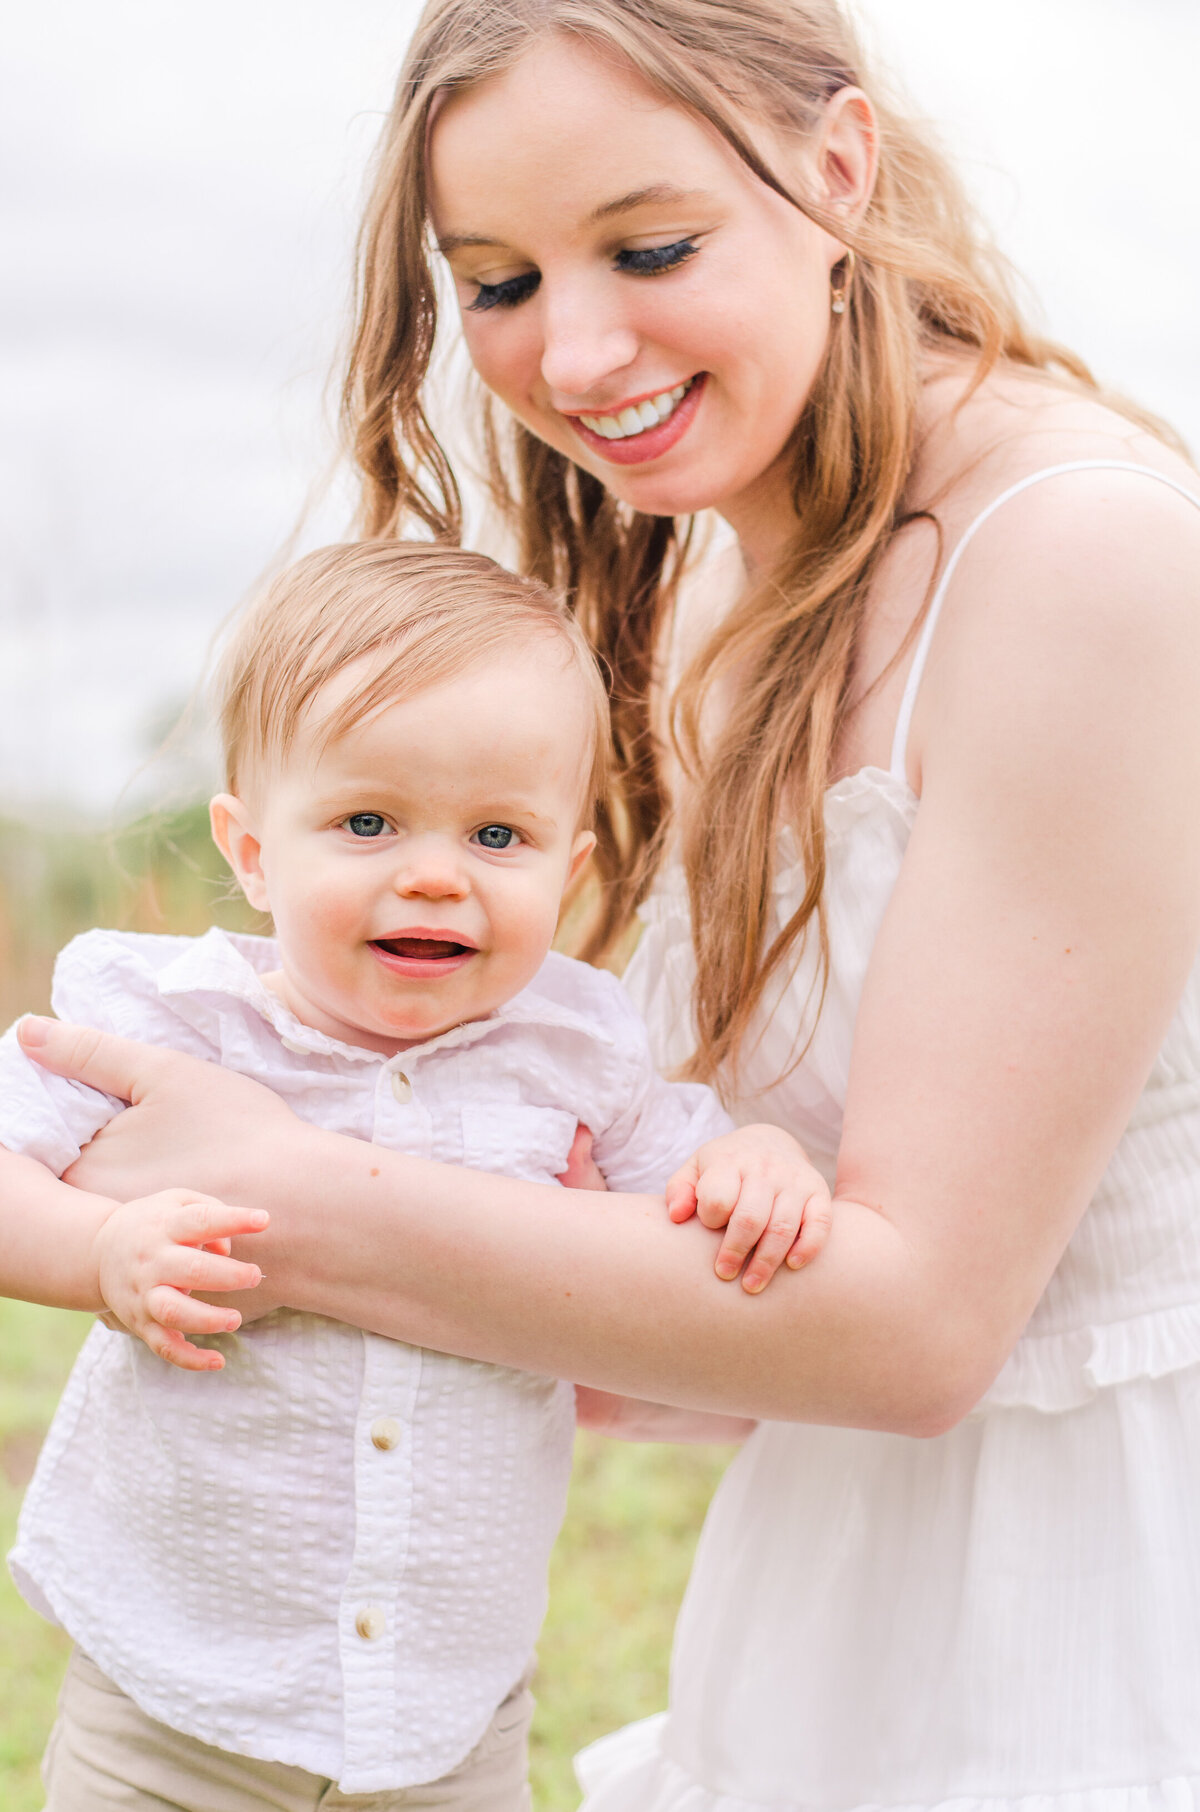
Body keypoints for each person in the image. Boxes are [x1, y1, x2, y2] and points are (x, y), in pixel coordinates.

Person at [17, 0, 1200, 1806]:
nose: (573, 351)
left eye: (651, 247)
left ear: (838, 166)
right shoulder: (733, 594)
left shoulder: (1084, 557)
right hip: (835, 1587)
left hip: (1088, 1595)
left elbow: (925, 1326)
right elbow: (736, 1292)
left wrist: (272, 1184)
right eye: (493, 281)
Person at [0, 538, 828, 1811]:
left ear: (570, 869)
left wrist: (757, 1154)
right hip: (172, 1703)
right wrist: (99, 1253)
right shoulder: (174, 1020)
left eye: (498, 833)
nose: (433, 870)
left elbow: (686, 1186)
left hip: (448, 1716)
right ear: (252, 847)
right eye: (368, 822)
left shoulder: (577, 1054)